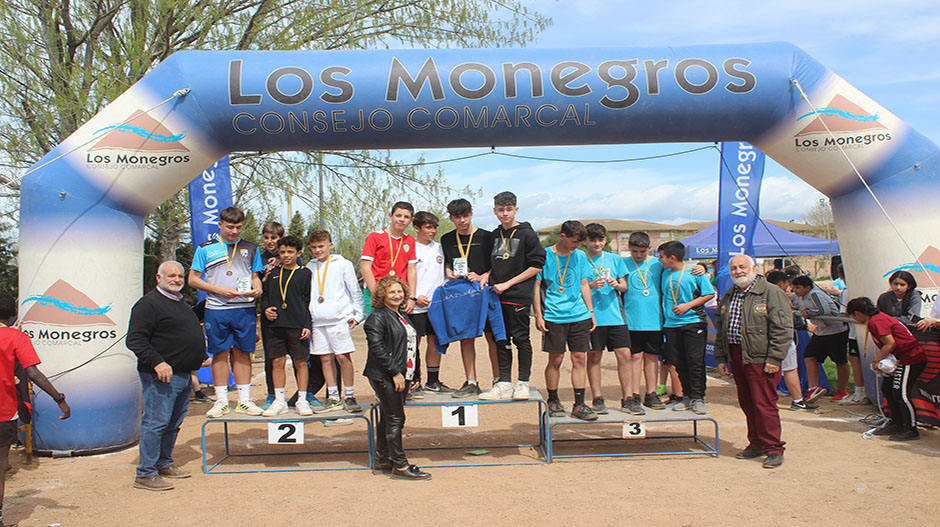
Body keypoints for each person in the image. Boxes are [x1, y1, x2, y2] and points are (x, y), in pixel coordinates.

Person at [126, 261, 207, 490]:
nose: (177, 279)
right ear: (158, 277)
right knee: (156, 423)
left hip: (182, 375)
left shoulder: (179, 301)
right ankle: (145, 473)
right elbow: (135, 339)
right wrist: (158, 362)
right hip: (161, 376)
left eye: (181, 276)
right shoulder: (148, 305)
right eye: (171, 275)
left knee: (173, 424)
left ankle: (163, 463)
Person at [714, 256, 792, 469]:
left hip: (761, 358)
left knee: (764, 404)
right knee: (748, 403)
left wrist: (774, 358)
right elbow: (721, 330)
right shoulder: (730, 295)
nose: (738, 271)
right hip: (738, 355)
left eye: (742, 267)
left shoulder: (771, 293)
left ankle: (774, 448)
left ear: (754, 269)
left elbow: (783, 329)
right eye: (733, 268)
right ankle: (756, 443)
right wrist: (721, 358)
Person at [188, 206, 265, 417]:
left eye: (238, 227)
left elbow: (255, 276)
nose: (234, 231)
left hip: (244, 308)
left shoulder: (250, 248)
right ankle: (221, 400)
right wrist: (218, 290)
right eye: (230, 227)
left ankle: (244, 400)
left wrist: (257, 288)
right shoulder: (205, 248)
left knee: (243, 353)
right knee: (220, 353)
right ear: (220, 225)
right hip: (217, 308)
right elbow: (193, 279)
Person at [0, 291, 70, 521]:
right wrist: (59, 398)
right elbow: (32, 373)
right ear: (13, 314)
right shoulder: (16, 338)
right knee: (1, 465)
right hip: (4, 412)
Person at [363, 276, 431, 480]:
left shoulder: (401, 315)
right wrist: (395, 372)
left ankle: (384, 458)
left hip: (403, 374)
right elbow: (377, 348)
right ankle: (400, 466)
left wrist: (415, 374)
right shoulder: (377, 317)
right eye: (392, 292)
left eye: (400, 291)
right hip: (385, 375)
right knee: (395, 418)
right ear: (382, 294)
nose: (397, 295)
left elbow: (412, 346)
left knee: (388, 416)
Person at [534, 220, 597, 420]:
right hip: (554, 315)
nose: (577, 245)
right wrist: (538, 315)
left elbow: (584, 284)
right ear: (563, 237)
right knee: (556, 359)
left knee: (579, 358)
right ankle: (553, 400)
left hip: (579, 315)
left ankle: (579, 405)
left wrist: (591, 312)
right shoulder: (544, 255)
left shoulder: (580, 256)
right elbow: (536, 287)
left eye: (580, 242)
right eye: (575, 241)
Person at [488, 191, 546, 401]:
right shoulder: (494, 235)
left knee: (521, 339)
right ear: (495, 211)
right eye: (501, 210)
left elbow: (537, 266)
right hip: (497, 297)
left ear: (516, 210)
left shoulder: (527, 234)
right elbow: (492, 264)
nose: (505, 214)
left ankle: (522, 383)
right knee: (500, 340)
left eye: (509, 209)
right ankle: (504, 382)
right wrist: (486, 276)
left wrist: (509, 283)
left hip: (518, 295)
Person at [441, 199, 500, 399]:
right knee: (466, 338)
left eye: (465, 215)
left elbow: (497, 264)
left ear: (472, 214)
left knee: (492, 338)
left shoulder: (487, 236)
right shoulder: (447, 239)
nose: (462, 220)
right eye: (457, 217)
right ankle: (471, 381)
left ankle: (498, 381)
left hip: (484, 292)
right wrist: (449, 271)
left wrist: (485, 275)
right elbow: (448, 263)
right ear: (451, 218)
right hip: (462, 294)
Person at [846, 297, 927, 441]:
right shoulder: (876, 319)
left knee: (901, 394)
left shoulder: (877, 321)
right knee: (888, 389)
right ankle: (896, 422)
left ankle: (911, 428)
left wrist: (876, 361)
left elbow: (890, 343)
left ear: (858, 313)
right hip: (901, 358)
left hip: (910, 358)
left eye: (853, 315)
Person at [306, 230, 365, 414]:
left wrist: (358, 314)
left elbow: (354, 290)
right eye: (314, 247)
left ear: (330, 245)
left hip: (339, 319)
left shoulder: (343, 264)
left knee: (342, 357)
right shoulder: (309, 266)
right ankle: (333, 396)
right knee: (325, 358)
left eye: (321, 246)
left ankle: (349, 395)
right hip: (317, 321)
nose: (318, 250)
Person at [658, 240, 715, 414]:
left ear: (672, 257)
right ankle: (686, 396)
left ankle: (698, 397)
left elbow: (709, 293)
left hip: (692, 322)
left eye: (661, 256)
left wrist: (687, 305)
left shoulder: (694, 273)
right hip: (671, 324)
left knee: (695, 361)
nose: (659, 260)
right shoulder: (664, 273)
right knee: (678, 362)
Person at [582, 223, 634, 415]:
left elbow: (625, 286)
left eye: (600, 239)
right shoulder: (580, 259)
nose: (597, 243)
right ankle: (597, 397)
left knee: (625, 355)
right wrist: (591, 285)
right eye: (592, 240)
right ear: (585, 241)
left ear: (605, 240)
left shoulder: (614, 259)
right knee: (594, 356)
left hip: (616, 316)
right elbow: (578, 288)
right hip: (592, 317)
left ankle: (628, 397)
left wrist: (616, 284)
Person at [258, 236, 313, 417]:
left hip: (297, 325)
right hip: (275, 325)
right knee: (277, 361)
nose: (286, 255)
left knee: (300, 362)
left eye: (290, 252)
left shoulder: (305, 273)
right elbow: (265, 296)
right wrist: (265, 309)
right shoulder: (273, 272)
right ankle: (279, 400)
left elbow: (307, 301)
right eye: (282, 252)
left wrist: (307, 324)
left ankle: (302, 399)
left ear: (298, 253)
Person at [764, 271, 818, 411]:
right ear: (781, 283)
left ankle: (767, 400)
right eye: (788, 285)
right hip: (781, 338)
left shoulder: (762, 294)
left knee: (771, 370)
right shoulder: (777, 295)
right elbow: (786, 319)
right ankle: (797, 400)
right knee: (790, 369)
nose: (790, 289)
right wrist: (806, 326)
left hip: (766, 337)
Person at [791, 275, 849, 402]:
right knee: (809, 356)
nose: (795, 290)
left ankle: (843, 390)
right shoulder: (800, 297)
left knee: (840, 360)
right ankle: (813, 387)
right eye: (793, 288)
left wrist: (809, 313)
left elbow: (825, 310)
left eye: (798, 288)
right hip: (821, 332)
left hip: (835, 331)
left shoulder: (815, 294)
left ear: (807, 287)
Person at [411, 211, 451, 393]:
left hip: (436, 305)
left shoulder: (440, 248)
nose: (433, 231)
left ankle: (432, 381)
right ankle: (413, 381)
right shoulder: (409, 247)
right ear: (416, 227)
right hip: (415, 305)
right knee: (413, 343)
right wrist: (414, 296)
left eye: (434, 227)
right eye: (428, 227)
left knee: (435, 342)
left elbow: (446, 273)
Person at [259, 220, 284, 410]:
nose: (270, 241)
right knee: (271, 357)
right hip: (268, 312)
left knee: (300, 358)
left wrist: (282, 262)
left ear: (280, 238)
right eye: (266, 237)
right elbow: (257, 287)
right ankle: (271, 393)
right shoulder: (258, 259)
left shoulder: (290, 257)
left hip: (290, 313)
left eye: (273, 238)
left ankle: (305, 393)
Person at [838, 277, 869, 405]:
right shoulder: (846, 291)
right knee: (854, 360)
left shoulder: (848, 291)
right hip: (854, 334)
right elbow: (843, 314)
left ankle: (862, 392)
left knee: (859, 361)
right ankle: (859, 391)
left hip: (862, 334)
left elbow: (843, 314)